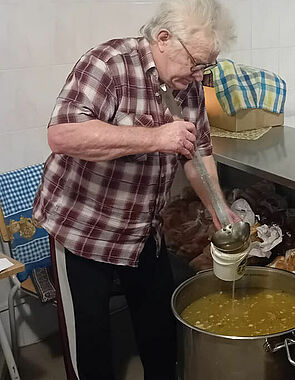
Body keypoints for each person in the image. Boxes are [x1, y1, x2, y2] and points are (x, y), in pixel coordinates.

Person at [32, 1, 236, 379]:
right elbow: (61, 135)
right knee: (90, 346)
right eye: (196, 63)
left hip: (142, 231)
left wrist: (220, 213)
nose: (199, 75)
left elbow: (199, 155)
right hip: (82, 231)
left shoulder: (188, 84)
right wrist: (155, 137)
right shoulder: (109, 63)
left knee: (160, 334)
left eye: (206, 67)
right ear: (163, 39)